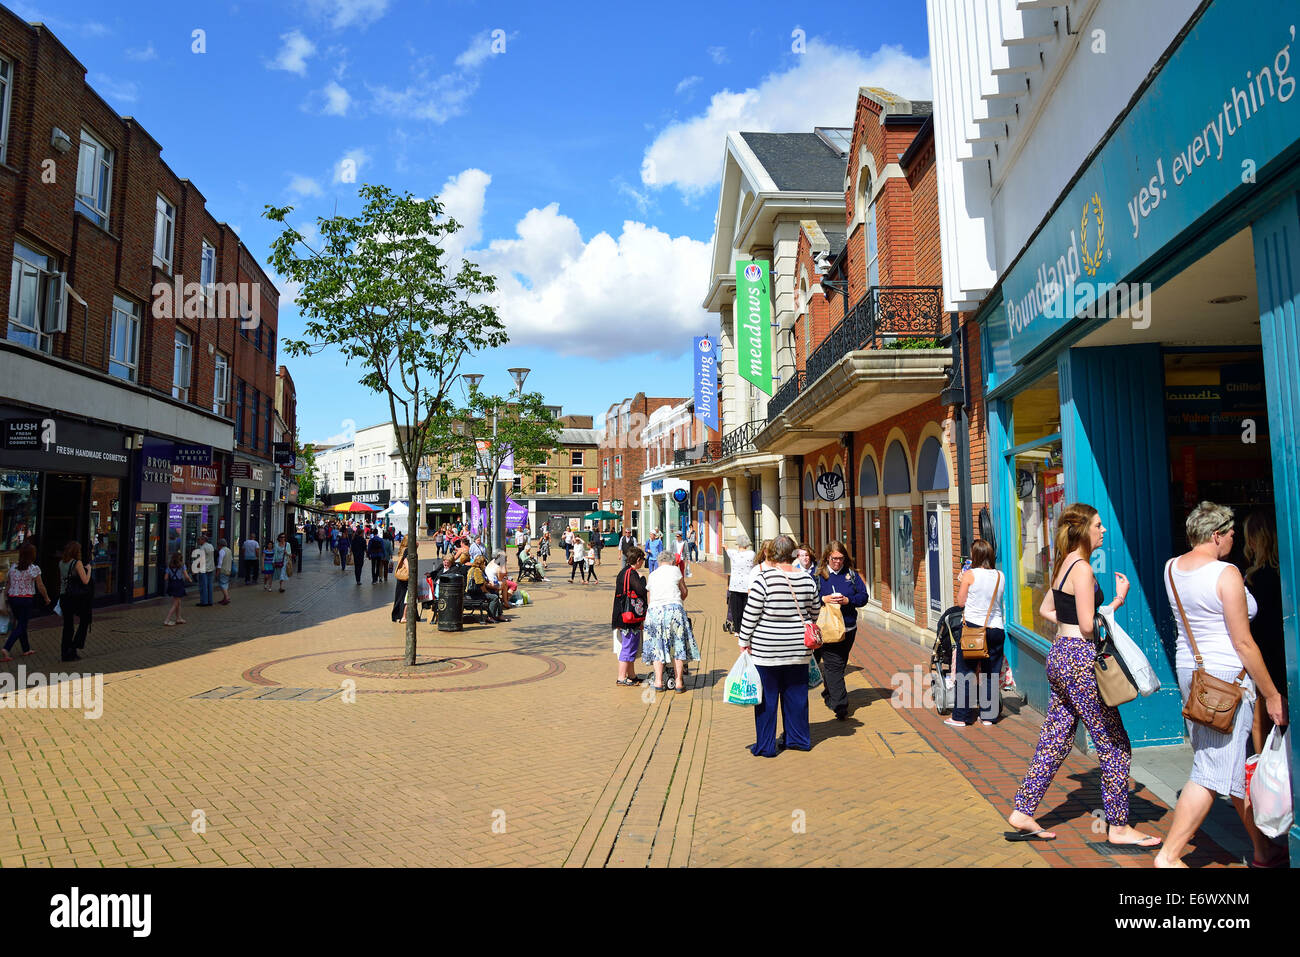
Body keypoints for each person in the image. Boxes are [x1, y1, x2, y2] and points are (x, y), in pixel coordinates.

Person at [1008, 503, 1159, 847]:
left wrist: (1107, 605)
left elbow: (1048, 608)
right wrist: (1115, 604)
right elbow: (1090, 625)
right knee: (1116, 745)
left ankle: (1023, 809)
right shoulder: (1084, 570)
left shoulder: (1064, 565)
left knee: (1056, 738)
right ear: (1083, 531)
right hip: (1079, 659)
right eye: (1099, 525)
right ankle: (1118, 827)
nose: (1103, 531)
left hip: (1059, 655)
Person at [1154, 503, 1288, 869]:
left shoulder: (1171, 568)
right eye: (1230, 534)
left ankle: (1263, 851)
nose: (1235, 539)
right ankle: (1168, 855)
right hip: (1226, 681)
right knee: (1210, 771)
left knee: (1230, 765)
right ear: (1216, 535)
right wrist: (1273, 694)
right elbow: (1244, 643)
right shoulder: (1226, 573)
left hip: (1193, 675)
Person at [738, 535, 821, 757]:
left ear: (772, 553)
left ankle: (766, 746)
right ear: (793, 553)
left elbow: (751, 614)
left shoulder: (763, 579)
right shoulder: (806, 579)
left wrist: (743, 641)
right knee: (797, 696)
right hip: (798, 649)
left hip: (767, 650)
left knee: (767, 700)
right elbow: (815, 611)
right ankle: (798, 739)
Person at [1241, 511, 1286, 753]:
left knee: (1260, 716)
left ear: (1254, 540)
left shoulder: (1252, 578)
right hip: (1285, 650)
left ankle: (1260, 770)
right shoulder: (1285, 574)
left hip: (1261, 652)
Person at [947, 538, 1003, 727]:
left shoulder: (970, 574)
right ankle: (989, 716)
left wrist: (963, 581)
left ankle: (960, 716)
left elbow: (961, 602)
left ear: (975, 555)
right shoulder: (1000, 575)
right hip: (996, 628)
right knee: (991, 673)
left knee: (966, 672)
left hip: (973, 629)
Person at [813, 541, 870, 721]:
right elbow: (810, 599)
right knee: (834, 665)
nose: (837, 562)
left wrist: (848, 600)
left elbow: (863, 597)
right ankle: (840, 705)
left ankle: (829, 692)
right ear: (827, 557)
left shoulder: (851, 575)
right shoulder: (818, 576)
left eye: (840, 558)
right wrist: (824, 598)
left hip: (848, 628)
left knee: (839, 664)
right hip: (827, 629)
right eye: (834, 558)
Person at [642, 553, 698, 692]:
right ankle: (679, 682)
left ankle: (658, 681)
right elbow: (683, 591)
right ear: (672, 562)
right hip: (674, 610)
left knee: (657, 646)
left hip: (655, 612)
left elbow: (649, 599)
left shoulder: (653, 575)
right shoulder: (676, 570)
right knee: (677, 645)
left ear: (659, 562)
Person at [1, 543, 49, 661]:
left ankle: (26, 649)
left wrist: (6, 597)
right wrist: (46, 597)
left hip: (13, 598)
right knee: (22, 625)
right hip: (26, 599)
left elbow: (8, 584)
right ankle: (6, 648)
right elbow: (40, 585)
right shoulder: (33, 569)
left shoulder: (13, 567)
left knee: (22, 623)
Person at [612, 547, 648, 686]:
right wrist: (643, 580)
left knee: (631, 645)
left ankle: (632, 675)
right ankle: (621, 677)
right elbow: (641, 591)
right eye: (642, 560)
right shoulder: (631, 574)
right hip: (628, 617)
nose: (642, 563)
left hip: (622, 615)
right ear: (638, 560)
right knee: (628, 646)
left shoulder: (623, 572)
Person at [56, 541, 93, 662]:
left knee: (68, 625)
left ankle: (65, 652)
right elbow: (85, 580)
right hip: (75, 598)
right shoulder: (77, 563)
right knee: (85, 619)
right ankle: (74, 646)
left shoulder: (61, 563)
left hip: (64, 596)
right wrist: (89, 570)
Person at [724, 533, 756, 634]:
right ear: (747, 544)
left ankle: (737, 630)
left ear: (738, 544)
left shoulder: (733, 554)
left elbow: (727, 550)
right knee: (746, 609)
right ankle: (747, 629)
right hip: (747, 586)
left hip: (735, 585)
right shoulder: (751, 554)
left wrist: (725, 547)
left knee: (736, 610)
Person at [467, 556, 505, 623]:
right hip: (476, 594)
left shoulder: (471, 569)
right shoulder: (477, 571)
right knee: (494, 597)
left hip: (472, 592)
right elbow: (481, 586)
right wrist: (487, 592)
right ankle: (490, 617)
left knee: (494, 593)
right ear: (483, 563)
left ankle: (499, 615)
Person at [163, 551, 192, 626]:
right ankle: (167, 619)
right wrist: (190, 579)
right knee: (176, 603)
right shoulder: (182, 566)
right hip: (179, 584)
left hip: (172, 584)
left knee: (178, 602)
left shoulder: (169, 566)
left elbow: (165, 578)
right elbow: (186, 576)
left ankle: (178, 618)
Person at [391, 543, 411, 623]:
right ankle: (402, 616)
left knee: (400, 596)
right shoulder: (407, 550)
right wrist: (410, 573)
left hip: (401, 577)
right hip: (405, 577)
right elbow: (406, 561)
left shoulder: (402, 550)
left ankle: (398, 615)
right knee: (404, 597)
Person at [194, 532, 215, 607]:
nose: (198, 542)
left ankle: (204, 602)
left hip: (203, 569)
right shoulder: (211, 546)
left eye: (199, 540)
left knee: (203, 586)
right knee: (209, 585)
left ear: (203, 540)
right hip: (211, 568)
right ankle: (210, 601)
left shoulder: (202, 548)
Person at [216, 538, 233, 605]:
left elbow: (220, 563)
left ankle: (227, 597)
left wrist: (217, 572)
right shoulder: (229, 550)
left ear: (220, 545)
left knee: (222, 584)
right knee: (225, 584)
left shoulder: (222, 551)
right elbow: (231, 560)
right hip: (228, 569)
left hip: (223, 570)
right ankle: (225, 598)